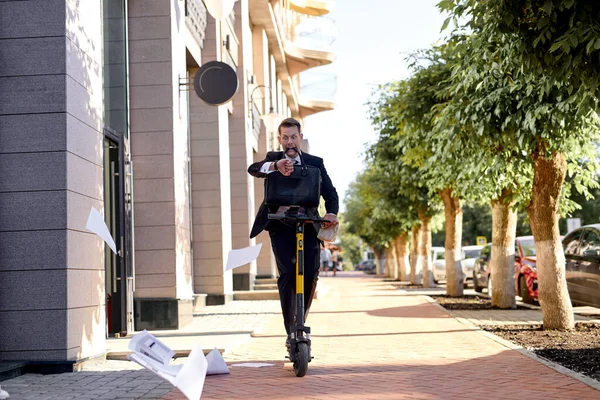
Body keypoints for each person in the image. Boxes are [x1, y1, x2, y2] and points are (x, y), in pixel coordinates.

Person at [247, 117, 339, 348]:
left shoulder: (315, 163)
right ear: (280, 139)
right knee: (288, 274)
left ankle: (300, 321)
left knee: (311, 273)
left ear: (300, 137)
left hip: (308, 224)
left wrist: (332, 213)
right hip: (280, 225)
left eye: (293, 137)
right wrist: (275, 166)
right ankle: (291, 330)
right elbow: (253, 169)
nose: (290, 142)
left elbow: (330, 193)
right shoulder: (272, 159)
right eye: (285, 138)